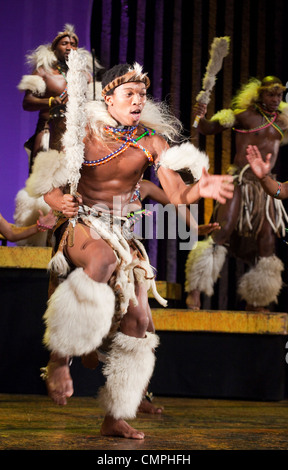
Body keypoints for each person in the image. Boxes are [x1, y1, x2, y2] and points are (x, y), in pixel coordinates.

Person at [26, 60, 234, 439]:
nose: (138, 100)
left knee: (140, 323)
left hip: (124, 236)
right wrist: (59, 203)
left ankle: (115, 415)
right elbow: (45, 185)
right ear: (108, 97)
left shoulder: (152, 141)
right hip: (82, 226)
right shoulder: (81, 133)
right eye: (129, 93)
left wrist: (199, 190)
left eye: (142, 94)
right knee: (102, 257)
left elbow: (175, 194)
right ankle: (59, 359)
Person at [185, 76, 288, 311]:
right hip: (240, 181)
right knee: (223, 229)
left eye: (279, 95)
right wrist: (199, 115)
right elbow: (207, 128)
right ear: (259, 94)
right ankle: (196, 291)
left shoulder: (283, 121)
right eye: (270, 95)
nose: (275, 99)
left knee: (267, 242)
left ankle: (258, 300)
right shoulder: (243, 115)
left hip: (266, 187)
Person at [15, 25, 100, 246]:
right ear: (55, 48)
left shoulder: (85, 77)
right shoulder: (43, 72)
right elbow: (27, 102)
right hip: (47, 132)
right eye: (65, 43)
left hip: (75, 137)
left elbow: (97, 104)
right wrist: (52, 102)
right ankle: (37, 239)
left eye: (73, 44)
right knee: (44, 184)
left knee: (73, 186)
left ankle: (68, 239)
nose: (70, 47)